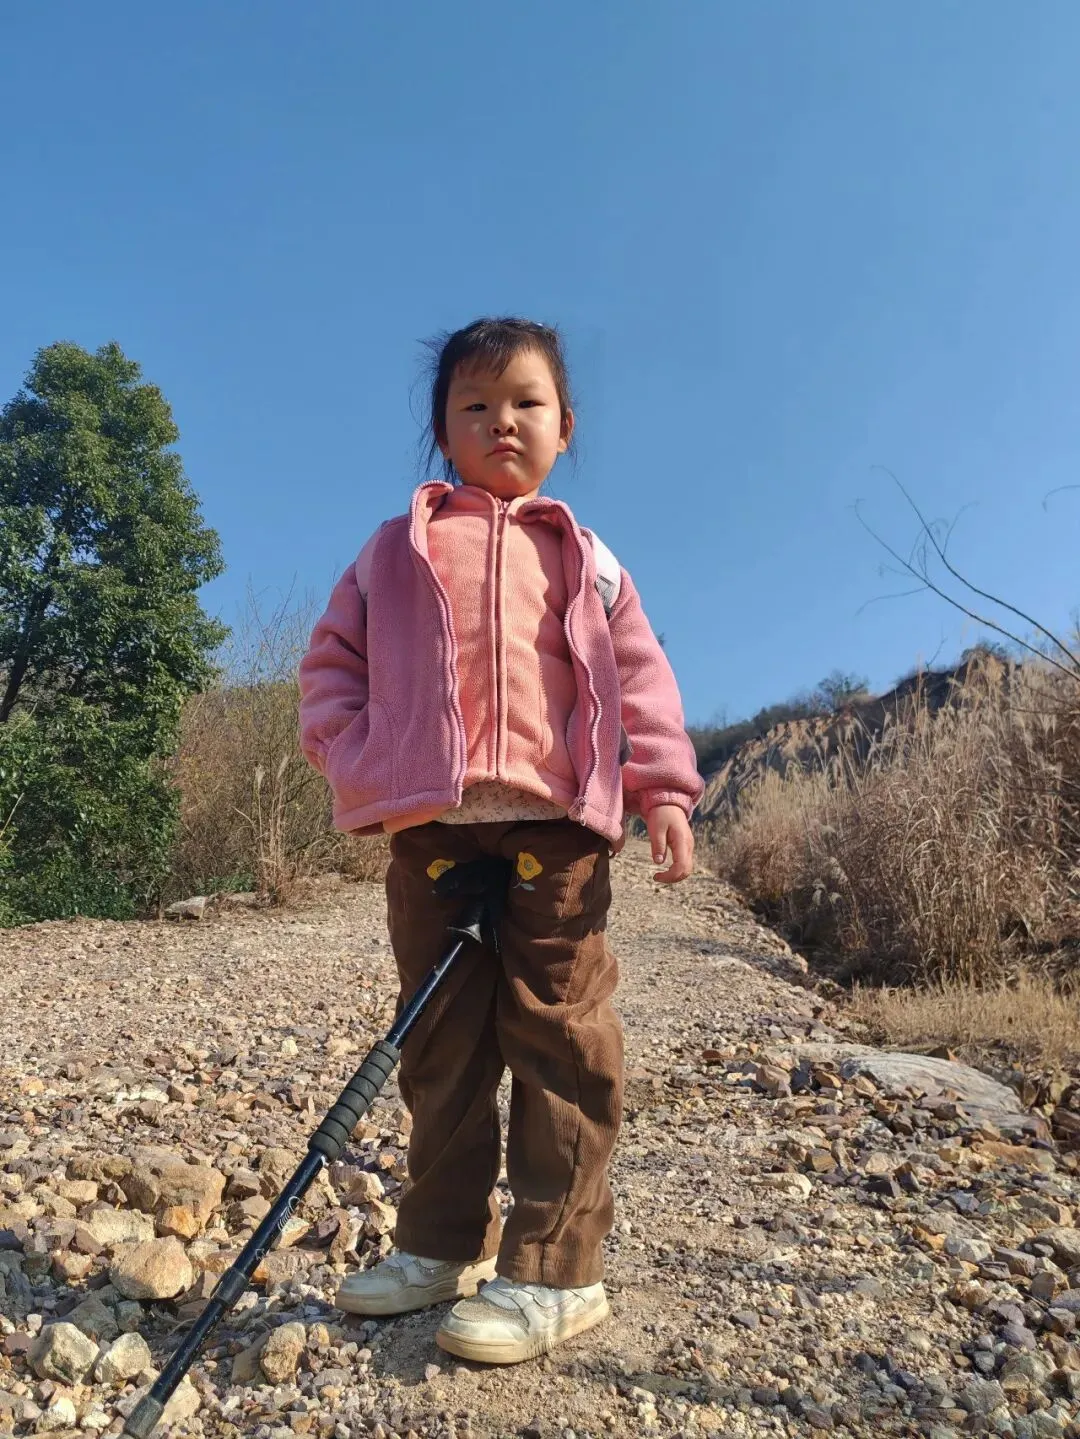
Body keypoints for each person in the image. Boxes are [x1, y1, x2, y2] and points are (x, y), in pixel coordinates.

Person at [297, 317, 703, 1365]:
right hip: (430, 832)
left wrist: (662, 788)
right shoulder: (396, 548)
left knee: (560, 1039)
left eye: (526, 401)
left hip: (555, 830)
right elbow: (332, 664)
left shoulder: (586, 556)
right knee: (440, 1044)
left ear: (566, 426)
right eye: (474, 405)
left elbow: (640, 678)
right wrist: (353, 755)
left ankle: (557, 1268)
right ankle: (439, 1245)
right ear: (443, 433)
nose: (501, 421)